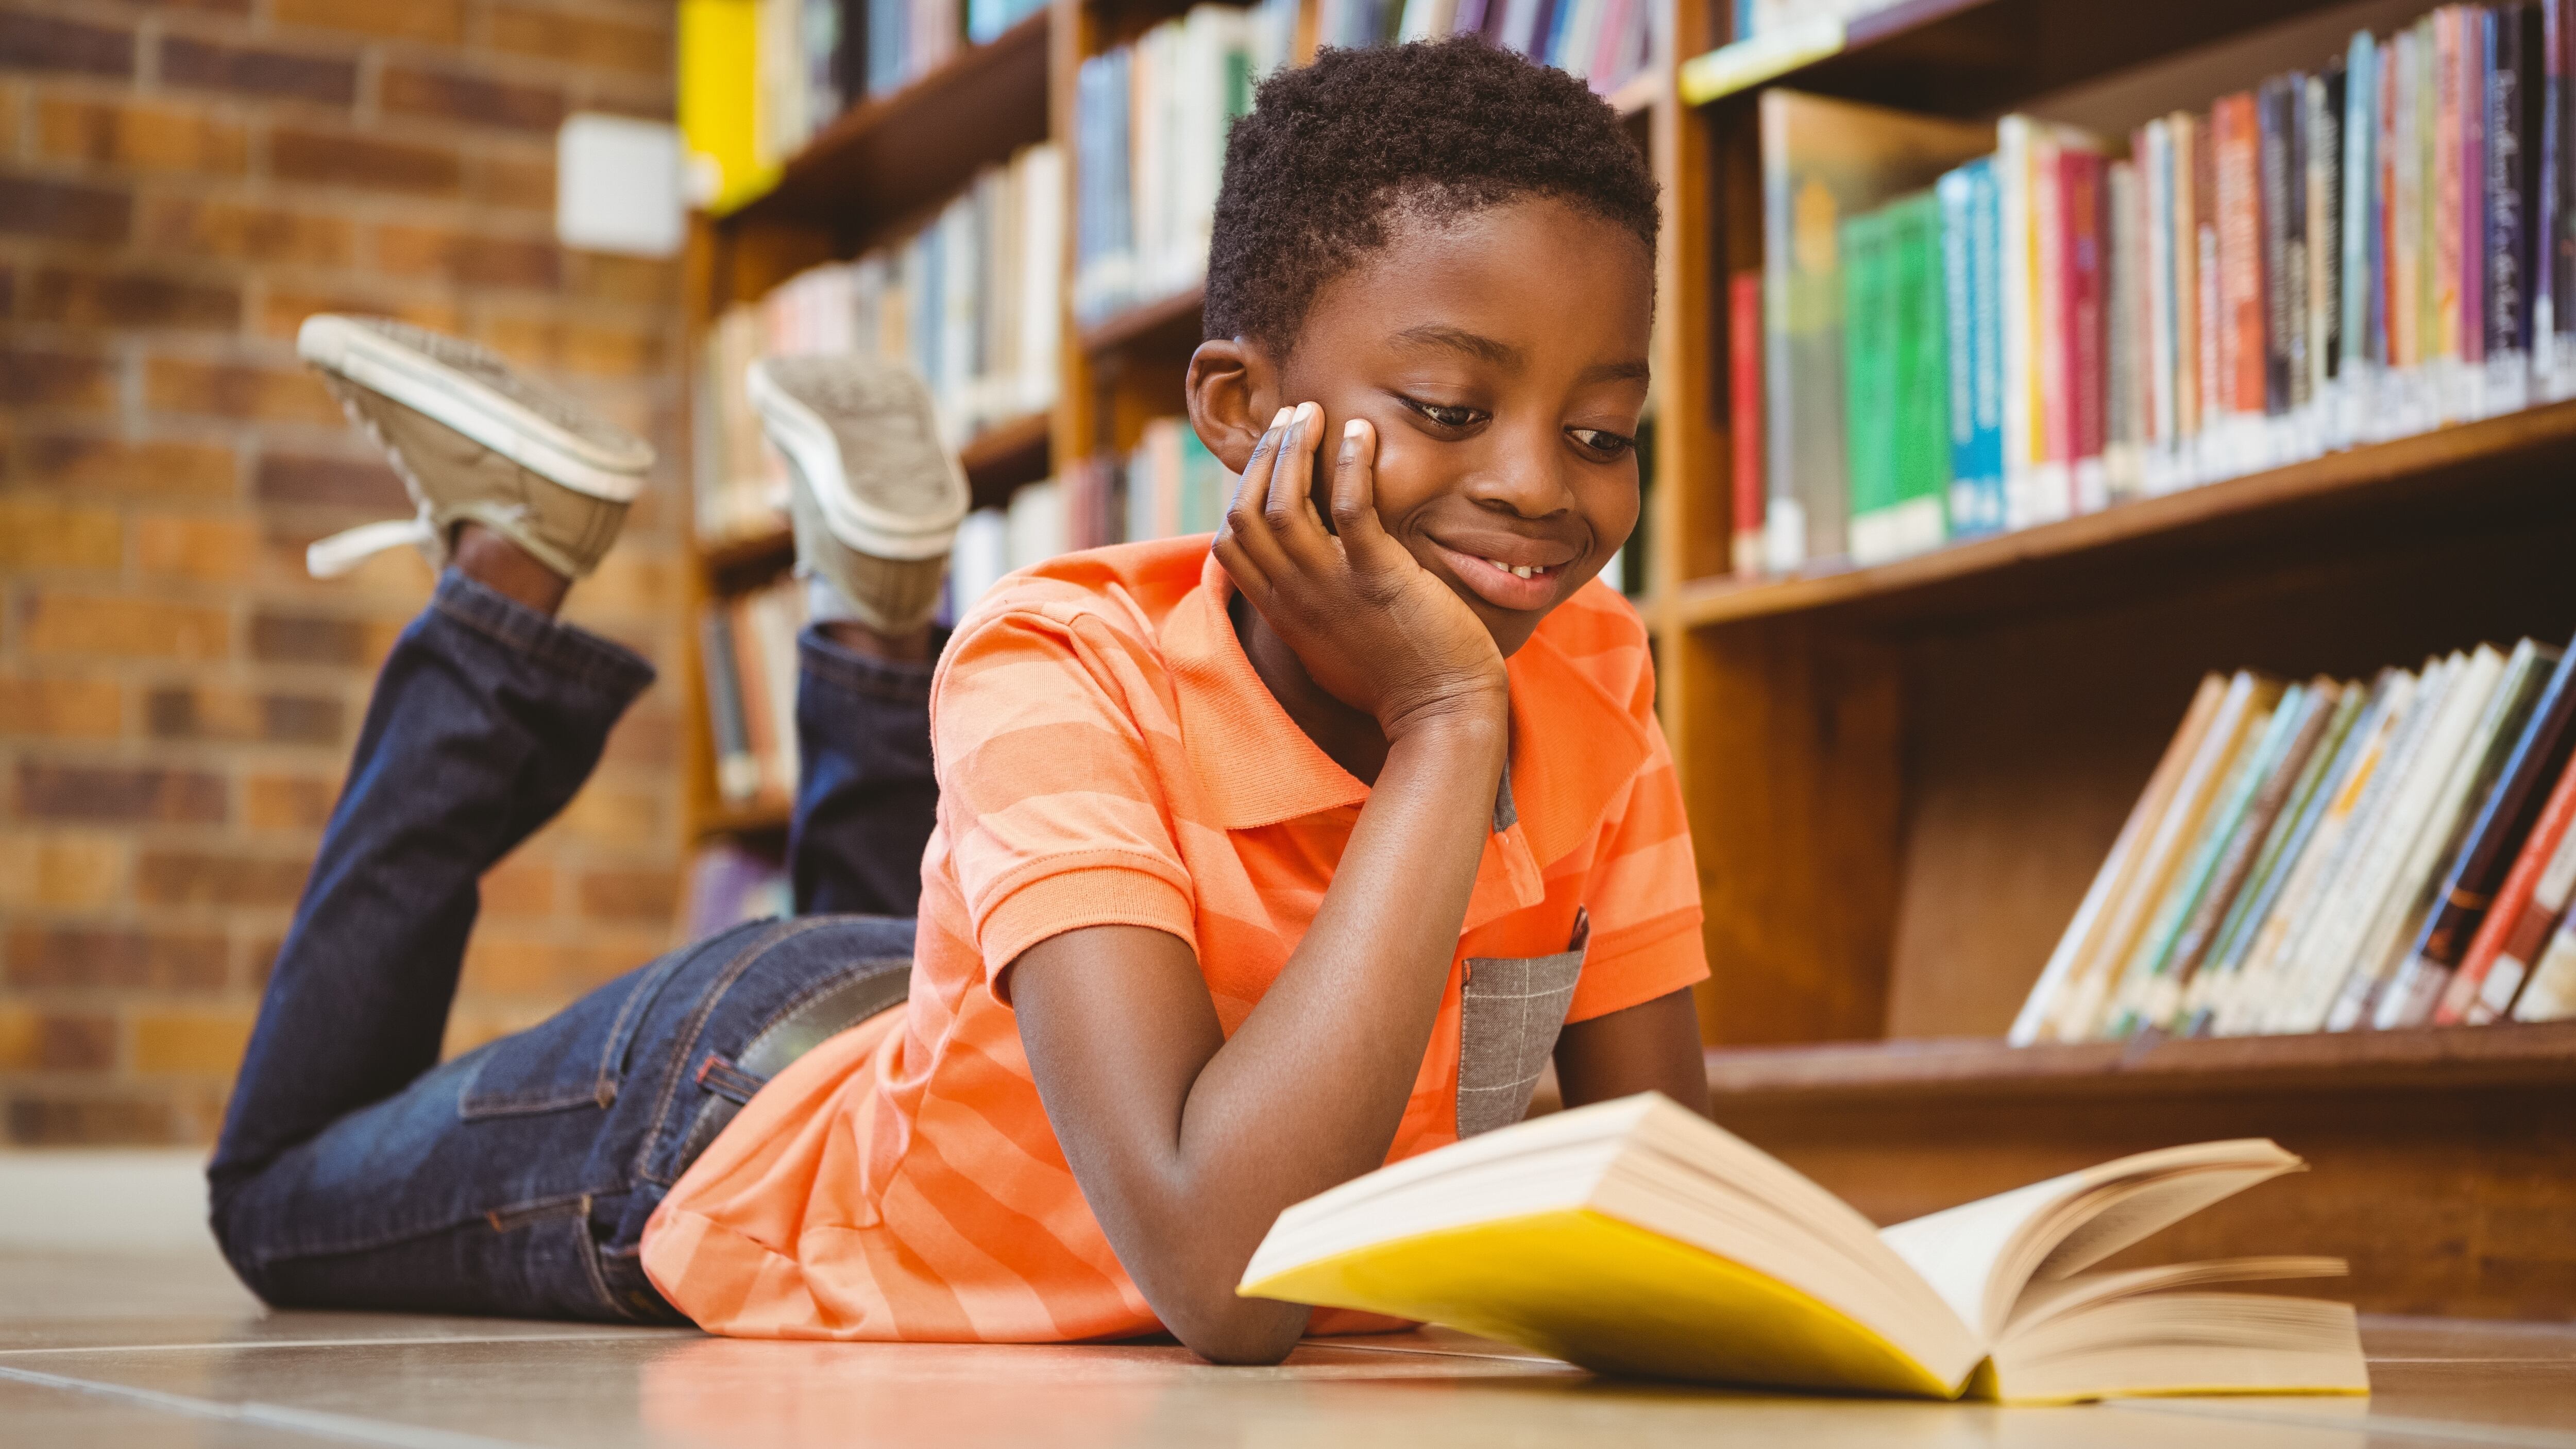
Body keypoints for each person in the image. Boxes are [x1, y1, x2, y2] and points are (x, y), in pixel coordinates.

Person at [209, 37, 1711, 1364]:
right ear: (1242, 413)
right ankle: (506, 582)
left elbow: (1669, 1202)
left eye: (1601, 430)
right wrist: (1447, 727)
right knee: (273, 1195)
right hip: (723, 1113)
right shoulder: (1060, 665)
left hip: (990, 1020)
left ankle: (867, 623)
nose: (1535, 485)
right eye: (1453, 411)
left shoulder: (1598, 676)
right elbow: (1228, 1282)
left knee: (965, 1014)